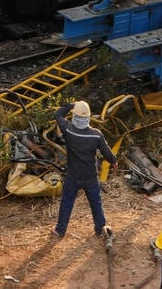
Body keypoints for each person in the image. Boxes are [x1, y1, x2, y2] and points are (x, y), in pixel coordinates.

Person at [51, 100, 116, 239]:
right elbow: (107, 153)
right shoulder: (96, 135)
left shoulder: (68, 130)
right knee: (96, 202)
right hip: (90, 177)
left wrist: (71, 105)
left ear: (75, 116)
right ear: (88, 117)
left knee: (67, 202)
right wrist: (114, 161)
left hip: (73, 176)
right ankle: (100, 228)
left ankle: (60, 230)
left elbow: (58, 114)